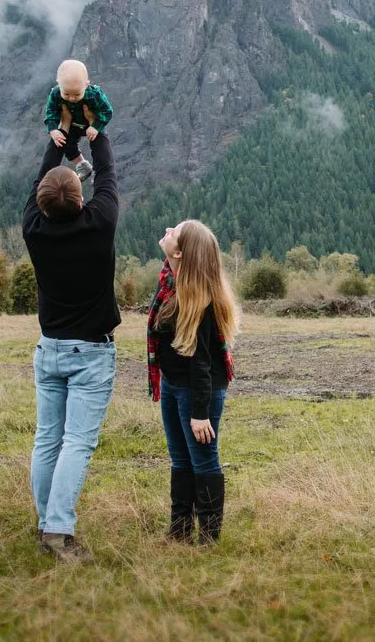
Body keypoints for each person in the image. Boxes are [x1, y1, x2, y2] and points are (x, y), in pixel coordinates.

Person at [21, 123, 119, 562]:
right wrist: (97, 139)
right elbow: (110, 178)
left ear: (42, 205)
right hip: (91, 354)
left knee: (47, 439)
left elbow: (40, 188)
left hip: (49, 349)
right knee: (76, 442)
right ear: (81, 200)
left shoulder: (34, 232)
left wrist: (55, 145)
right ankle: (58, 532)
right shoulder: (99, 226)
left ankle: (46, 523)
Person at [146, 220, 240, 544]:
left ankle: (208, 538)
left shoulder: (197, 301)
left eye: (176, 231)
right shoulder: (171, 282)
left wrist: (199, 413)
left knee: (203, 458)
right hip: (174, 384)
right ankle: (180, 530)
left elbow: (202, 365)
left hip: (199, 390)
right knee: (180, 458)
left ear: (183, 252)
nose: (169, 229)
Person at [43, 58, 113, 183]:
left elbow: (107, 111)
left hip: (93, 124)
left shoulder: (94, 94)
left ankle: (99, 173)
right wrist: (53, 130)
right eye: (67, 94)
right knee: (65, 145)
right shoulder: (55, 94)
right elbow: (51, 112)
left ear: (86, 84)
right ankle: (82, 165)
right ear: (59, 83)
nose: (71, 98)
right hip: (72, 125)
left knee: (101, 148)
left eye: (77, 94)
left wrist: (96, 126)